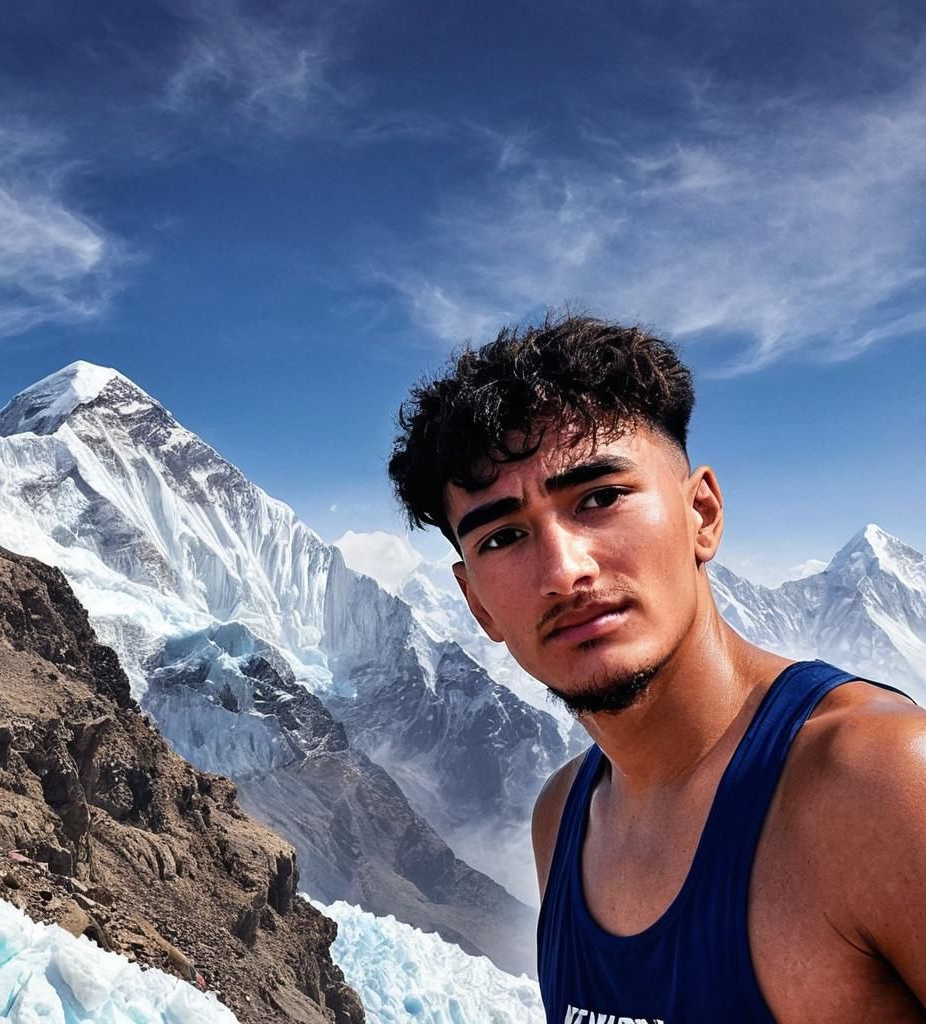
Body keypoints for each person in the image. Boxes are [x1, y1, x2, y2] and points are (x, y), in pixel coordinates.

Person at [387, 314, 926, 1022]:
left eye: (600, 497)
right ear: (476, 604)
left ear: (701, 512)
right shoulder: (561, 819)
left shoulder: (883, 783)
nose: (563, 570)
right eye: (505, 535)